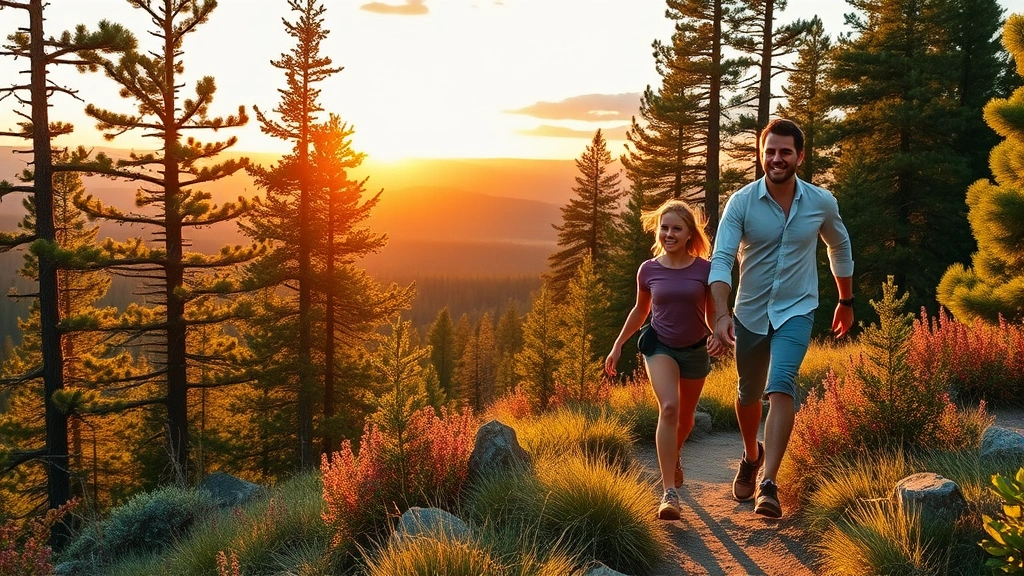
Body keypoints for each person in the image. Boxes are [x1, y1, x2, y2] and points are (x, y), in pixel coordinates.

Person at [709, 118, 854, 519]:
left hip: (797, 308)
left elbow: (838, 247)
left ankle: (769, 483)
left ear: (800, 156)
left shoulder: (821, 202)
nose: (776, 159)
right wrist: (721, 314)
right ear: (761, 154)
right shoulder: (741, 202)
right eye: (770, 151)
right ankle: (751, 454)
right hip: (750, 312)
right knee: (747, 394)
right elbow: (721, 259)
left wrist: (846, 299)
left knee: (781, 384)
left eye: (785, 152)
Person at [605, 199, 721, 520]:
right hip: (660, 347)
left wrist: (718, 334)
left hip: (696, 349)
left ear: (688, 235)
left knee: (686, 420)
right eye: (664, 228)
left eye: (676, 229)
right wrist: (618, 346)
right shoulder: (649, 269)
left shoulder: (704, 269)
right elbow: (641, 310)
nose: (669, 234)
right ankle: (669, 493)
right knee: (669, 408)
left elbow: (711, 314)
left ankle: (674, 453)